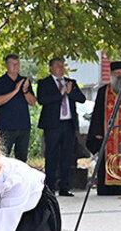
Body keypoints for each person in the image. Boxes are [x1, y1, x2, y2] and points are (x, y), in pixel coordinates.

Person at [87, 61, 121, 196]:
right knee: (105, 160)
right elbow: (97, 115)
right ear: (111, 75)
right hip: (107, 136)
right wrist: (97, 133)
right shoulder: (103, 92)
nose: (120, 76)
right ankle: (106, 189)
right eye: (117, 74)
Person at [35, 58, 85, 196]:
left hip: (68, 123)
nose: (61, 68)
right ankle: (50, 187)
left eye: (62, 66)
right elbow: (42, 100)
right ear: (50, 68)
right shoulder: (44, 83)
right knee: (51, 156)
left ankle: (65, 187)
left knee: (67, 156)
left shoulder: (71, 82)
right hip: (52, 125)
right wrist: (60, 94)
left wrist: (70, 92)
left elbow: (82, 99)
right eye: (58, 66)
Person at [0, 55, 36, 161]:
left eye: (18, 64)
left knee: (22, 158)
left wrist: (25, 90)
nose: (16, 66)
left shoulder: (24, 81)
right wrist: (15, 91)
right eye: (13, 64)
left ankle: (20, 178)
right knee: (3, 158)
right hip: (6, 126)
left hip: (24, 126)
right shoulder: (0, 81)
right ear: (6, 66)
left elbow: (33, 102)